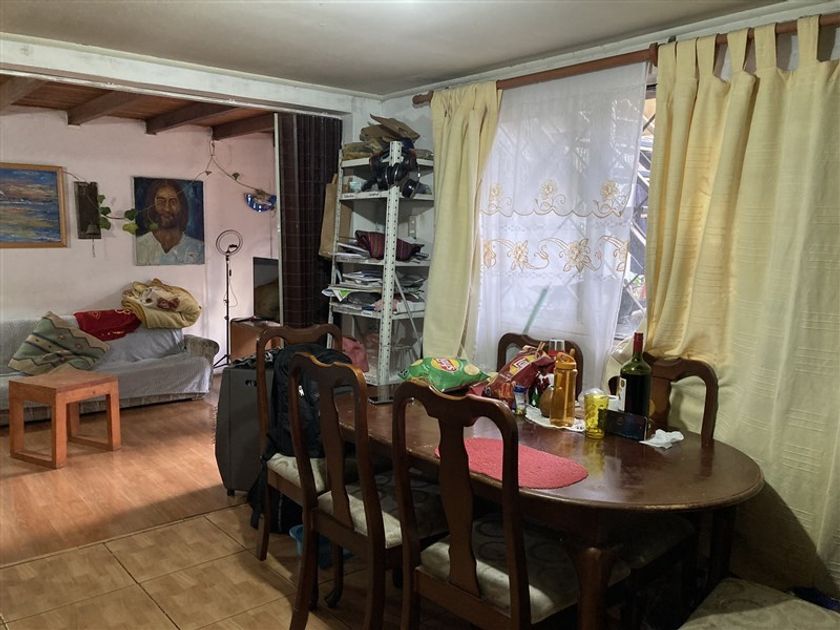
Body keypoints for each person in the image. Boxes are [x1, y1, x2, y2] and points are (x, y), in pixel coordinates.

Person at [135, 180, 204, 265]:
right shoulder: (138, 246)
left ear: (181, 206)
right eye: (161, 202)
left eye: (173, 202)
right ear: (152, 205)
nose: (167, 208)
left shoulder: (199, 249)